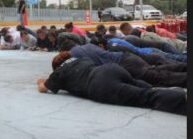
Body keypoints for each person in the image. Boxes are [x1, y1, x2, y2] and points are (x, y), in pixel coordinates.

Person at [37, 52, 186, 115]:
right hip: (111, 69)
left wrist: (42, 80)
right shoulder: (80, 59)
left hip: (99, 85)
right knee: (144, 86)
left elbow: (43, 88)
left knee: (146, 97)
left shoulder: (59, 72)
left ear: (57, 66)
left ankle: (182, 101)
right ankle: (174, 92)